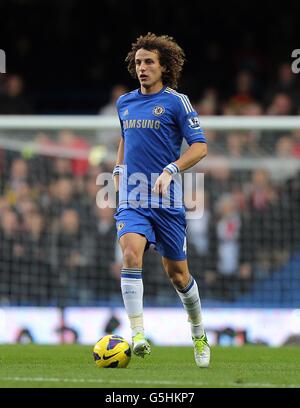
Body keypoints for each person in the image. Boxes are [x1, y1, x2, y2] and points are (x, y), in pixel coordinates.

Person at [112, 33, 210, 367]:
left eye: (149, 62)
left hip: (166, 200)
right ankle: (137, 334)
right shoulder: (124, 103)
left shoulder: (176, 102)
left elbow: (200, 146)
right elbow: (125, 139)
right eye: (138, 62)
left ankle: (198, 331)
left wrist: (173, 167)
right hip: (133, 195)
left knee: (179, 276)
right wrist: (117, 169)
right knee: (129, 253)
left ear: (164, 67)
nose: (142, 68)